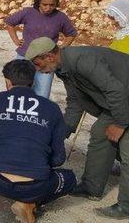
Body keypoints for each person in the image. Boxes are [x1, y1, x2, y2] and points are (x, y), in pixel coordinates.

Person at [26, 37, 129, 219]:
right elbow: (75, 102)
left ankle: (126, 206)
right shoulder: (62, 68)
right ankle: (91, 188)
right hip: (119, 101)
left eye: (37, 63)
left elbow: (115, 90)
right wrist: (60, 134)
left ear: (49, 56)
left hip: (122, 97)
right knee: (99, 134)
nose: (37, 68)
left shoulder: (81, 60)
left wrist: (120, 124)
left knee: (127, 150)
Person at [0, 59, 76, 223]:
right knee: (70, 179)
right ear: (33, 81)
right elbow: (59, 159)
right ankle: (28, 203)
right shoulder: (51, 109)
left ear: (7, 82)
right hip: (36, 186)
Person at [5, 0, 77, 99]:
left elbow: (71, 34)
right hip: (25, 57)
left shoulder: (60, 17)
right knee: (18, 90)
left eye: (52, 5)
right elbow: (10, 23)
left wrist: (60, 48)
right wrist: (16, 40)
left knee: (42, 93)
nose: (48, 8)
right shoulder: (28, 12)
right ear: (38, 2)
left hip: (47, 61)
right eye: (45, 4)